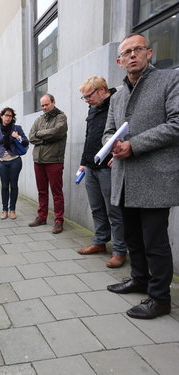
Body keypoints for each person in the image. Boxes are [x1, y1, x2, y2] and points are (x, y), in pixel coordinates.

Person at [104, 33, 179, 319]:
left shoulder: (169, 80)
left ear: (150, 53)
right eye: (127, 52)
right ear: (119, 61)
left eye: (138, 50)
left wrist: (133, 145)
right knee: (132, 236)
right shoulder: (117, 97)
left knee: (154, 241)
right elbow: (109, 131)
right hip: (124, 178)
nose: (132, 55)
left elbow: (177, 124)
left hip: (156, 178)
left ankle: (160, 299)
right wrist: (112, 143)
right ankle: (139, 278)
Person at [77, 76, 127, 268]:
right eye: (84, 97)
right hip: (91, 166)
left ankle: (119, 250)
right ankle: (99, 242)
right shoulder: (93, 108)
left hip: (109, 167)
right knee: (97, 208)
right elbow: (89, 136)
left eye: (88, 96)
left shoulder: (117, 102)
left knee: (114, 210)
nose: (86, 100)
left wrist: (121, 153)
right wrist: (83, 162)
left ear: (101, 90)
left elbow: (124, 131)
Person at [28, 94, 68, 234]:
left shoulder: (61, 117)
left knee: (56, 192)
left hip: (54, 160)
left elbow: (57, 132)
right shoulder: (39, 119)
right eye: (42, 105)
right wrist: (45, 138)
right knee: (42, 191)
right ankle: (42, 217)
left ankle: (58, 220)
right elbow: (31, 137)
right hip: (38, 160)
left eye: (46, 104)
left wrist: (40, 134)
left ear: (53, 102)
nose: (44, 108)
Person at [0, 107, 29, 220]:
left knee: (13, 185)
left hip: (15, 161)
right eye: (6, 115)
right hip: (2, 162)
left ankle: (12, 210)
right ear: (1, 116)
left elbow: (26, 141)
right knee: (4, 186)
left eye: (10, 116)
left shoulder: (17, 128)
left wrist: (17, 136)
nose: (8, 118)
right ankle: (4, 210)